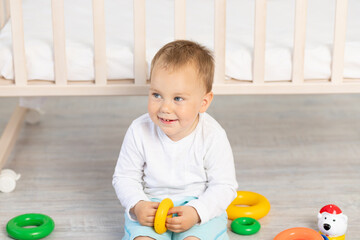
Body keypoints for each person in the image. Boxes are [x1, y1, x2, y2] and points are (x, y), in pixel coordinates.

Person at [113, 40, 238, 240]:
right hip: (152, 206)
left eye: (178, 98)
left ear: (203, 102)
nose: (165, 108)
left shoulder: (212, 135)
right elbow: (124, 178)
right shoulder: (139, 130)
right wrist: (138, 205)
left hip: (199, 206)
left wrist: (197, 211)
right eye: (157, 95)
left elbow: (224, 186)